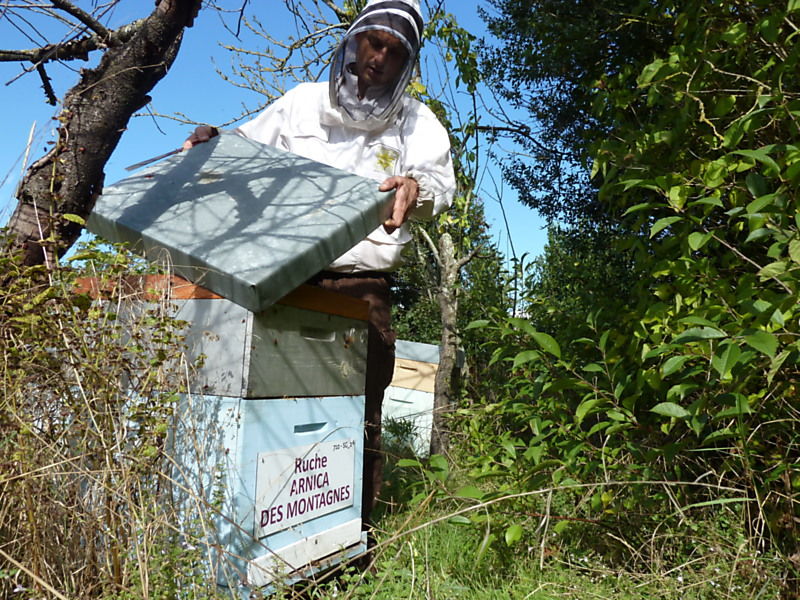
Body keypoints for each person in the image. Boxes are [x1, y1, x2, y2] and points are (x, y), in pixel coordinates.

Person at [185, 0, 455, 535]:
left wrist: (413, 188)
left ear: (407, 63)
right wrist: (210, 144)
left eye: (394, 51)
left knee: (360, 416)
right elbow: (241, 148)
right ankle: (271, 532)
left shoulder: (417, 123)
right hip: (282, 279)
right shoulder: (300, 103)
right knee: (276, 410)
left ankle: (349, 540)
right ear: (352, 42)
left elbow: (438, 185)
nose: (379, 57)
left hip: (360, 287)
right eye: (373, 42)